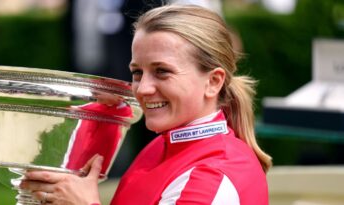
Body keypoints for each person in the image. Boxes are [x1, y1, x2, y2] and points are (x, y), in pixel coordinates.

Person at [20, 4, 272, 205]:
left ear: (213, 82)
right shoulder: (160, 146)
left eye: (162, 71)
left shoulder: (212, 173)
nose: (143, 88)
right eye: (137, 72)